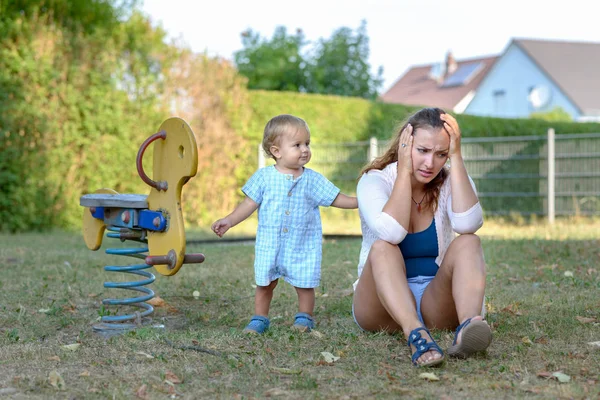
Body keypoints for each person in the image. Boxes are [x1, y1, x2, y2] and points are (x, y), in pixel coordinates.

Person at [352, 107, 491, 367]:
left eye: (441, 154)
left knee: (469, 241)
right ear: (405, 144)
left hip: (434, 300)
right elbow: (391, 231)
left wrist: (457, 158)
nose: (431, 164)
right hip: (380, 304)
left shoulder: (450, 179)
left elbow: (468, 223)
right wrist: (404, 172)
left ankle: (469, 327)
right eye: (422, 151)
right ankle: (416, 333)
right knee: (383, 247)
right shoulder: (374, 181)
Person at [212, 114, 358, 334]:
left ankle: (304, 317)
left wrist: (360, 202)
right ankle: (260, 318)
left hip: (301, 244)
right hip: (270, 244)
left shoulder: (313, 179)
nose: (305, 149)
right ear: (276, 151)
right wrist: (229, 220)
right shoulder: (263, 178)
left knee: (305, 284)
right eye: (297, 145)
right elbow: (248, 204)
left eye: (307, 144)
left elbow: (337, 198)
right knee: (265, 284)